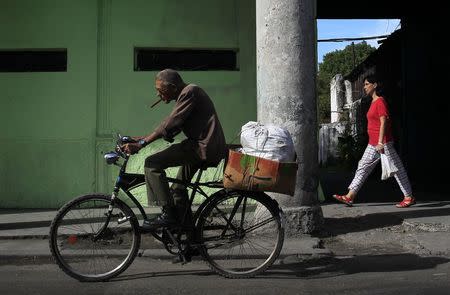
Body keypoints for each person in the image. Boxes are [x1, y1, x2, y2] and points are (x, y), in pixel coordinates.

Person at [122, 69, 227, 230]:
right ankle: (190, 240)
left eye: (160, 90)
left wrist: (142, 143)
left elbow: (172, 122)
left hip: (201, 147)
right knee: (178, 189)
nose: (158, 94)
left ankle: (167, 214)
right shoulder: (185, 94)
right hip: (204, 147)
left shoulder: (189, 92)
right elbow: (172, 127)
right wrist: (142, 138)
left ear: (172, 87)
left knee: (152, 163)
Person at [333, 74, 415, 208]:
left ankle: (408, 197)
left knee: (397, 169)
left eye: (366, 84)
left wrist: (381, 142)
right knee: (362, 166)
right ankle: (349, 196)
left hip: (383, 143)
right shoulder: (372, 102)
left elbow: (384, 122)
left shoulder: (380, 101)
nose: (364, 87)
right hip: (373, 143)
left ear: (374, 85)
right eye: (364, 84)